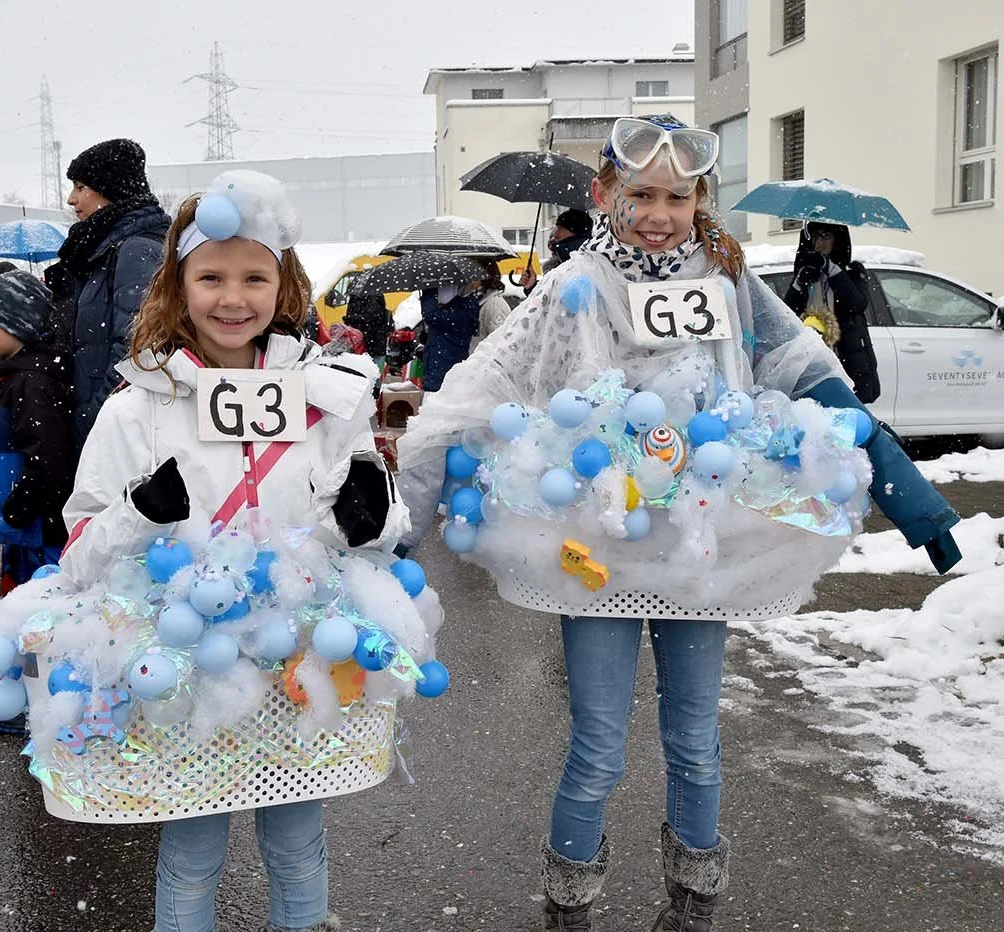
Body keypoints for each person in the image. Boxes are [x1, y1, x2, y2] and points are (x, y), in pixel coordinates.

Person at [397, 115, 960, 931]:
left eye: (677, 195)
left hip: (702, 545)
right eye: (641, 194)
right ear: (606, 194)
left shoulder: (728, 279)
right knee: (597, 745)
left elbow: (816, 382)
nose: (659, 213)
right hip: (603, 551)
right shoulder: (571, 288)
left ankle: (695, 904)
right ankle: (571, 907)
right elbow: (479, 389)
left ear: (701, 198)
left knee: (695, 741)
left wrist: (919, 505)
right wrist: (400, 520)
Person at [58, 170, 407, 932]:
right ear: (177, 286)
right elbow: (79, 553)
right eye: (210, 276)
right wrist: (139, 514)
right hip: (188, 668)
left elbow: (376, 526)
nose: (232, 297)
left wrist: (370, 518)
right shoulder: (135, 408)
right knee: (190, 849)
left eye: (255, 276)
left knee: (297, 842)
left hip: (299, 661)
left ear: (284, 286)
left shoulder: (325, 399)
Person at [44, 138, 171, 455]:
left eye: (81, 186)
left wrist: (95, 416)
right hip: (106, 418)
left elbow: (136, 349)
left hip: (116, 427)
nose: (72, 199)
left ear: (110, 189)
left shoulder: (136, 249)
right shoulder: (103, 250)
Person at [0, 271, 74, 594]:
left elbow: (47, 460)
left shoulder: (33, 382)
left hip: (36, 530)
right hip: (25, 528)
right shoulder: (19, 376)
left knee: (37, 612)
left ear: (20, 322)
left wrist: (16, 512)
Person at [782, 221, 881, 403]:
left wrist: (831, 269)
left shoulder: (852, 272)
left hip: (847, 357)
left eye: (826, 236)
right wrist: (799, 283)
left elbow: (856, 304)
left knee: (851, 414)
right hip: (814, 359)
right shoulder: (806, 273)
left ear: (837, 239)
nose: (820, 242)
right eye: (816, 236)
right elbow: (787, 314)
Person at [418, 282, 480, 392]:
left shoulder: (460, 309)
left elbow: (432, 315)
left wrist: (429, 291)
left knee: (437, 401)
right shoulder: (465, 306)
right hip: (446, 368)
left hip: (442, 371)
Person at [519, 207, 594, 293]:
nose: (555, 234)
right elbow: (550, 301)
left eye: (560, 228)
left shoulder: (582, 264)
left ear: (574, 232)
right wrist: (532, 287)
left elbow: (559, 301)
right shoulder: (560, 260)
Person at [471, 258, 511, 347]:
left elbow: (500, 344)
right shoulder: (476, 302)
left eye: (473, 274)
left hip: (483, 360)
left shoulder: (494, 305)